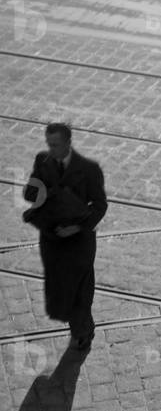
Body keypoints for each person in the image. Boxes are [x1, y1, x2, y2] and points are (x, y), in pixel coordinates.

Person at [22, 123, 108, 353]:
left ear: (68, 143)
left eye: (56, 145)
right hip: (52, 238)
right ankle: (77, 326)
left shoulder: (89, 169)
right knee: (61, 286)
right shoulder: (43, 161)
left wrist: (77, 228)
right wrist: (50, 193)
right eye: (49, 144)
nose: (51, 150)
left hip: (79, 240)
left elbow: (100, 206)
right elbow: (29, 193)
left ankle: (82, 332)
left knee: (80, 288)